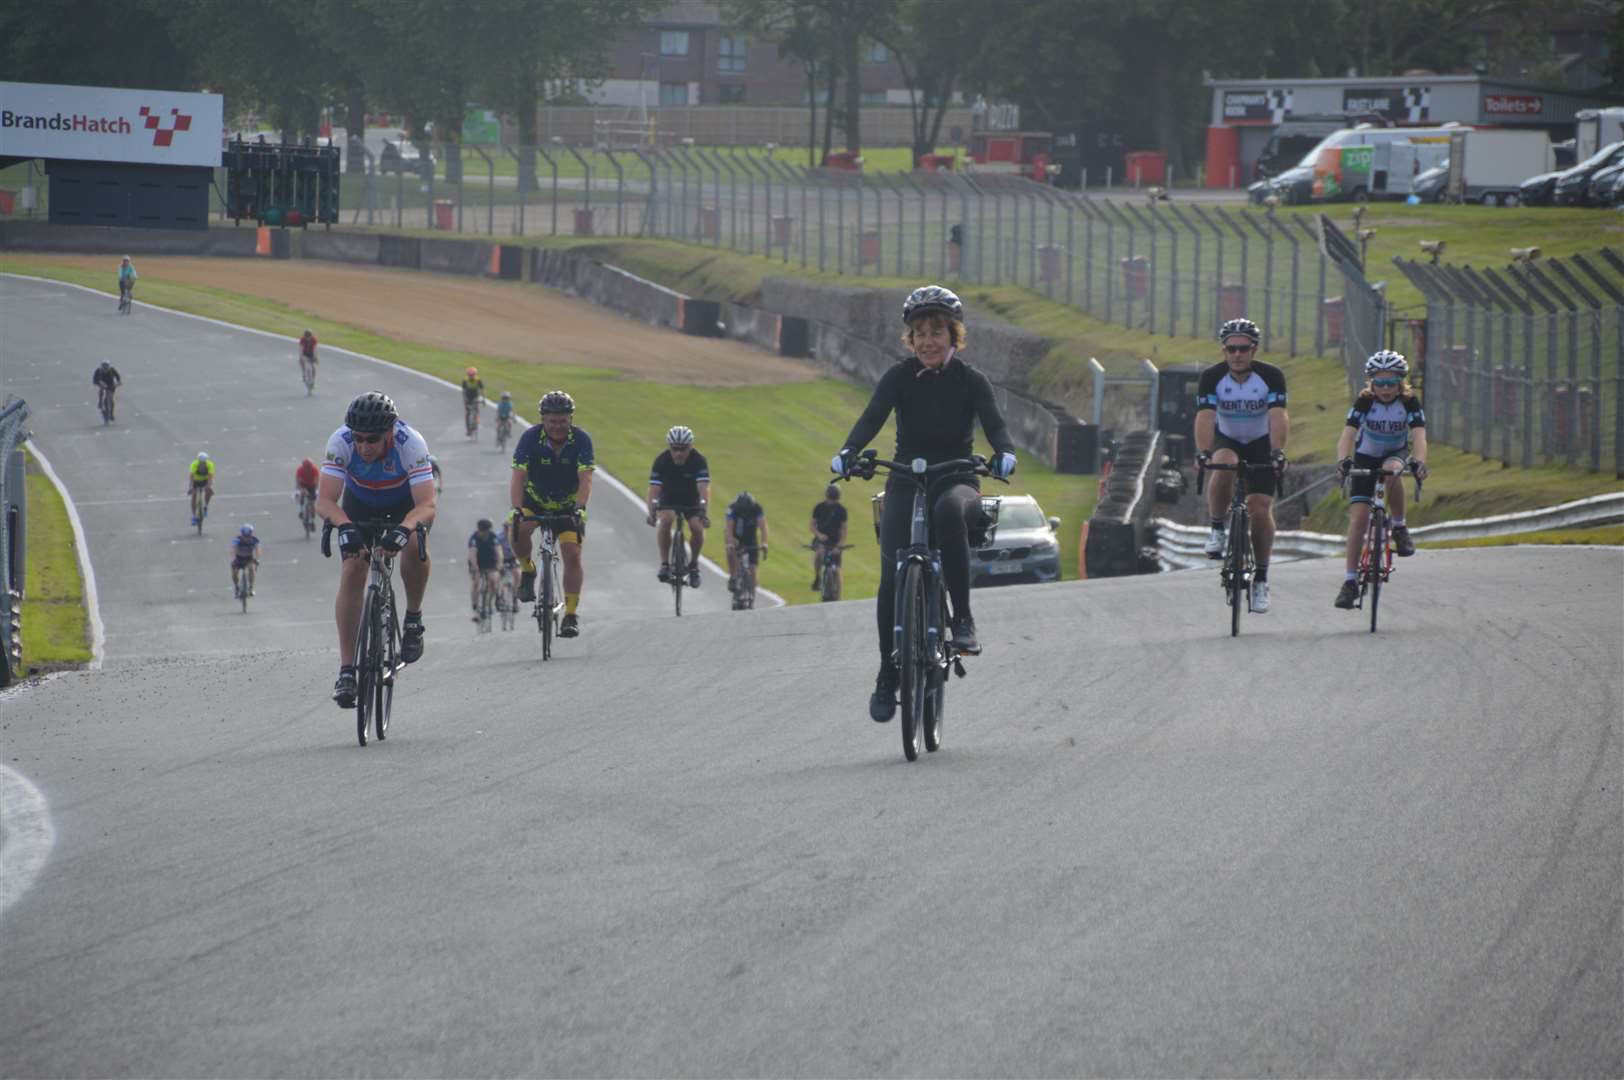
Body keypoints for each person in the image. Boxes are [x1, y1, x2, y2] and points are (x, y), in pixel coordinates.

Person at [830, 285, 1017, 723]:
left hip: (956, 477)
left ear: (954, 336)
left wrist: (1004, 453)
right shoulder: (898, 377)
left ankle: (964, 621)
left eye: (937, 331)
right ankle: (886, 671)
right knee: (892, 572)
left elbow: (996, 425)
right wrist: (848, 450)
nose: (928, 340)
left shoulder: (971, 380)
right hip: (905, 478)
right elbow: (871, 418)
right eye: (919, 333)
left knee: (949, 512)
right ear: (909, 340)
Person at [315, 391, 438, 708]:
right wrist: (344, 527)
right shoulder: (341, 441)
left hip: (404, 505)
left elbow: (427, 504)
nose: (364, 447)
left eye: (372, 439)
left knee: (413, 544)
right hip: (359, 504)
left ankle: (413, 618)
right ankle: (346, 670)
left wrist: (403, 529)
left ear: (389, 433)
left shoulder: (410, 443)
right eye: (359, 439)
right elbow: (326, 500)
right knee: (353, 566)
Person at [1194, 317, 1290, 615]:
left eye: (1243, 349)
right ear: (1223, 350)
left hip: (1261, 441)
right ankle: (1217, 528)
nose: (1237, 355)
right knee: (1223, 462)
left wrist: (1277, 452)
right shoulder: (1212, 377)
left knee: (1260, 508)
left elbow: (1278, 416)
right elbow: (1206, 416)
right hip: (1228, 437)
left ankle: (1261, 578)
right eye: (1231, 349)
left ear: (1254, 349)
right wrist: (1203, 452)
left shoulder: (1271, 375)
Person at [1335, 350, 1429, 609]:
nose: (1386, 389)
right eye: (1380, 383)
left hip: (1394, 453)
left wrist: (1419, 462)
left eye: (1392, 383)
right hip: (1365, 457)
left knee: (1391, 470)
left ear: (1401, 382)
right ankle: (1350, 581)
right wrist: (1343, 460)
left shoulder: (1409, 402)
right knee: (1358, 520)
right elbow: (1347, 435)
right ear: (1371, 382)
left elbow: (1419, 436)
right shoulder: (1364, 402)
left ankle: (1399, 526)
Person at [509, 390, 593, 638]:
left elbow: (586, 478)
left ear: (571, 419)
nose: (557, 426)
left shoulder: (581, 440)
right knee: (516, 529)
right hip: (534, 501)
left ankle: (571, 614)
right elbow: (518, 476)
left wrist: (579, 507)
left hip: (568, 506)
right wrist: (516, 509)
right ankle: (527, 569)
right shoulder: (530, 438)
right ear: (543, 420)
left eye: (562, 421)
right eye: (552, 421)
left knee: (572, 554)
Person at [646, 425, 710, 588]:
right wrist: (652, 512)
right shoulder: (661, 460)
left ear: (691, 447)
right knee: (666, 519)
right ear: (670, 447)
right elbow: (653, 490)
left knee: (697, 527)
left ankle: (694, 565)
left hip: (691, 498)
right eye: (675, 449)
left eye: (684, 449)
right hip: (669, 496)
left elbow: (703, 488)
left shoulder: (698, 460)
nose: (679, 453)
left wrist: (703, 511)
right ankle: (665, 564)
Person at [724, 490, 768, 607]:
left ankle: (752, 595)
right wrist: (730, 542)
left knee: (753, 569)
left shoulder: (757, 508)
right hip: (735, 537)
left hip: (750, 538)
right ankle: (733, 577)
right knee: (730, 551)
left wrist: (764, 543)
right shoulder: (732, 508)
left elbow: (763, 527)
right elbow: (728, 527)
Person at [810, 483, 850, 592]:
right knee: (819, 553)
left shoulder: (842, 510)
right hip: (821, 540)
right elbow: (812, 525)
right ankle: (817, 577)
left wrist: (840, 545)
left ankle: (838, 594)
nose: (832, 502)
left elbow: (844, 529)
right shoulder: (819, 508)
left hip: (835, 541)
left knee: (837, 568)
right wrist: (819, 535)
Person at [467, 519, 503, 622]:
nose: (481, 533)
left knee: (494, 581)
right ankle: (475, 607)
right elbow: (472, 554)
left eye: (484, 531)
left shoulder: (493, 537)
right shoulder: (474, 538)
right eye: (480, 530)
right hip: (477, 563)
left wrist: (499, 565)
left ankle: (489, 603)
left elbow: (499, 552)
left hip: (491, 562)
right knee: (476, 583)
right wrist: (475, 567)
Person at [230, 524, 261, 597]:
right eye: (245, 534)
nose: (246, 536)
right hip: (238, 558)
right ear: (242, 533)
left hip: (249, 558)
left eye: (249, 534)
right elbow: (233, 548)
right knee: (235, 572)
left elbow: (258, 549)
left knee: (251, 569)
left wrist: (257, 558)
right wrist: (233, 558)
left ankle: (250, 588)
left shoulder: (254, 539)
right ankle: (237, 587)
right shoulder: (238, 539)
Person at [187, 451, 215, 525]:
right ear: (198, 461)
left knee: (208, 490)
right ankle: (193, 515)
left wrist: (208, 486)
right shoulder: (194, 464)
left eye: (204, 462)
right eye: (201, 462)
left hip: (205, 480)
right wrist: (191, 487)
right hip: (195, 481)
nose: (203, 464)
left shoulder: (210, 464)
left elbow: (210, 477)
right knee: (194, 496)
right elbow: (191, 477)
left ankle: (205, 506)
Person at [460, 367, 484, 434]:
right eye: (470, 375)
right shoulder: (465, 380)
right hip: (468, 397)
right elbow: (463, 391)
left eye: (473, 375)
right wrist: (465, 400)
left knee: (476, 410)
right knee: (468, 413)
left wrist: (483, 399)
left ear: (475, 374)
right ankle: (468, 429)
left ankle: (476, 422)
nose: (471, 376)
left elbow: (482, 390)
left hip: (475, 397)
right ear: (468, 375)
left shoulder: (478, 380)